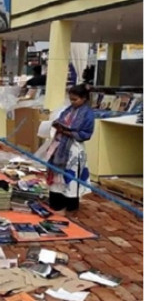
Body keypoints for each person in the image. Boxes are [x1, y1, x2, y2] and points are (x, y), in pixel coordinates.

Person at [46, 84, 95, 214]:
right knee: (57, 175)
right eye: (71, 99)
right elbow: (61, 119)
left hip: (74, 148)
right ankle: (56, 203)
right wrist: (56, 125)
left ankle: (70, 206)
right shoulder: (69, 109)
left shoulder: (88, 114)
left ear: (84, 98)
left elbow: (86, 134)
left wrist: (67, 132)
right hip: (59, 146)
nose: (72, 102)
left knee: (71, 177)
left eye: (75, 99)